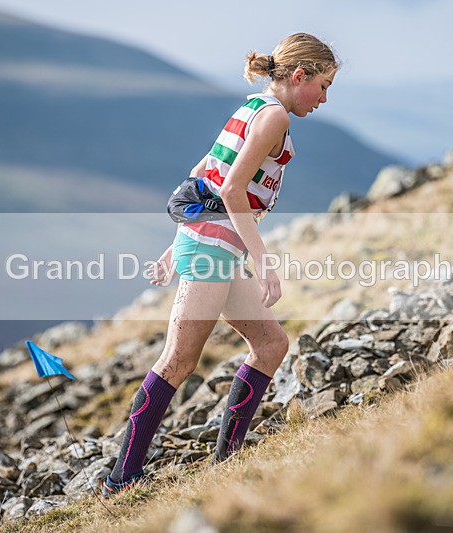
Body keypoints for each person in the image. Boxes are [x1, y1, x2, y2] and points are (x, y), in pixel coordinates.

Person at [104, 32, 340, 496]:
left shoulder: (253, 106)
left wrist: (179, 243)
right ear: (299, 75)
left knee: (271, 344)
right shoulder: (272, 117)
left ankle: (227, 461)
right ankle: (120, 480)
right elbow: (231, 189)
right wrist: (263, 260)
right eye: (325, 85)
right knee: (178, 361)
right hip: (216, 247)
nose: (324, 98)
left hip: (212, 244)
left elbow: (201, 173)